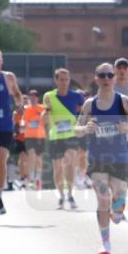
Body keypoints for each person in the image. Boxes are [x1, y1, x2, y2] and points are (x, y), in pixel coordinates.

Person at [75, 64, 128, 254]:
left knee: (118, 204)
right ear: (96, 79)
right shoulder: (90, 104)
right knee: (102, 199)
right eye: (102, 75)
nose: (106, 78)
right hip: (97, 158)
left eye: (109, 75)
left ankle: (118, 210)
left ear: (113, 78)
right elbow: (76, 129)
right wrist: (86, 128)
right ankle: (105, 244)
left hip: (120, 157)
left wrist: (126, 128)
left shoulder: (123, 101)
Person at [42, 67, 85, 209]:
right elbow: (44, 117)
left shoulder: (77, 96)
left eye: (66, 79)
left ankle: (70, 194)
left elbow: (83, 113)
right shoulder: (49, 96)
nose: (64, 82)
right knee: (57, 168)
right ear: (56, 80)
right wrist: (46, 111)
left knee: (69, 162)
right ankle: (61, 196)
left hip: (71, 134)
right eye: (61, 79)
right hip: (55, 136)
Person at [0, 48, 25, 214]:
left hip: (5, 127)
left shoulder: (8, 78)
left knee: (1, 159)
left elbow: (17, 94)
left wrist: (19, 106)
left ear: (2, 61)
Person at [22, 89, 46, 190]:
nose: (32, 97)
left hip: (40, 136)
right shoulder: (26, 108)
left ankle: (38, 178)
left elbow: (46, 120)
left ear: (38, 97)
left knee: (39, 158)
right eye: (31, 96)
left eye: (34, 96)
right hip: (29, 136)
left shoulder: (42, 108)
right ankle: (30, 179)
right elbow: (24, 121)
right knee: (31, 155)